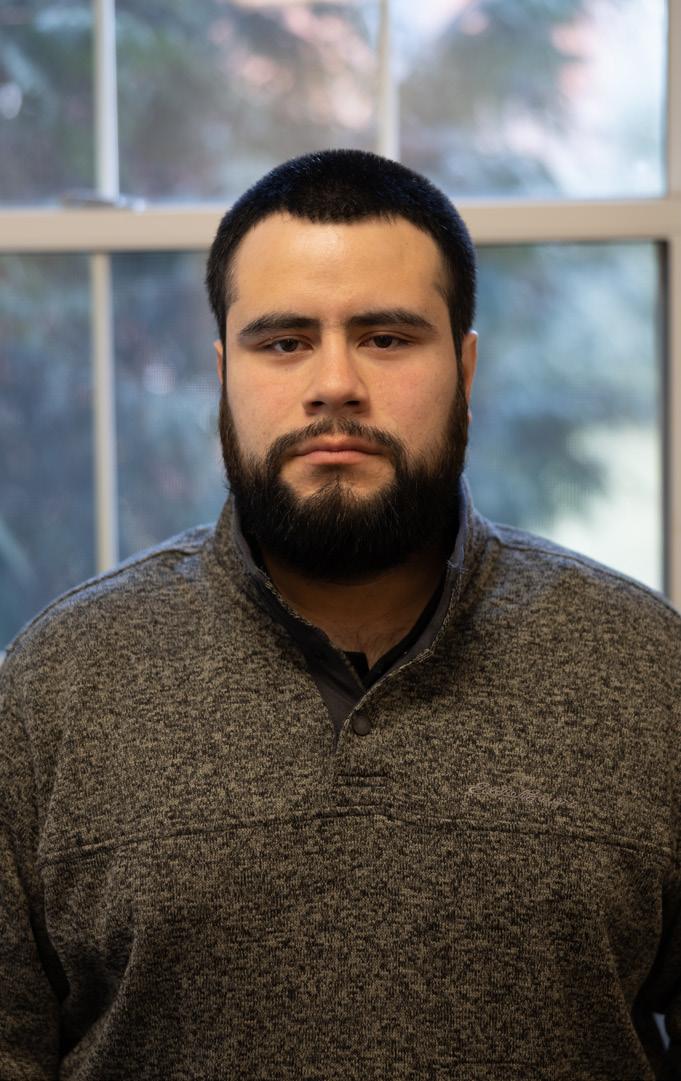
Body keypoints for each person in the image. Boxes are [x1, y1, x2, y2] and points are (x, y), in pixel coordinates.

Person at [1, 148, 680, 1081]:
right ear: (223, 373)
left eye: (386, 338)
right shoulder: (56, 684)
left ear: (465, 367)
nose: (334, 384)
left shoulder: (646, 669)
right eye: (283, 342)